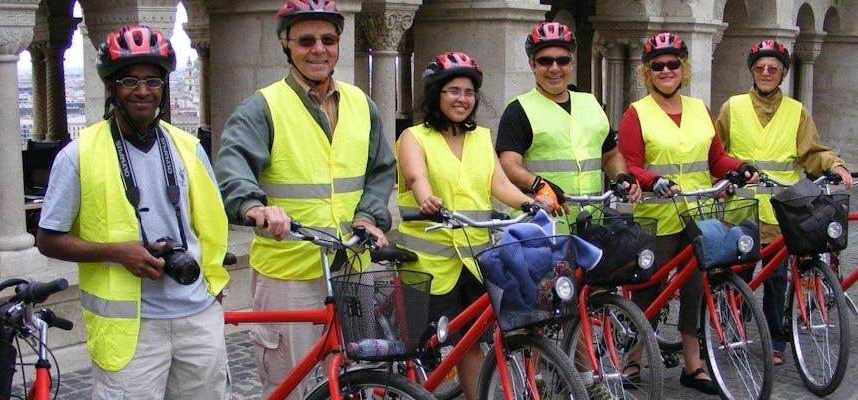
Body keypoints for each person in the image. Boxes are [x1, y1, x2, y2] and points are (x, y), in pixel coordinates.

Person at [36, 25, 230, 399]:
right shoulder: (79, 155)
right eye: (129, 80)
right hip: (132, 327)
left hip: (197, 315)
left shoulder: (188, 148)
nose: (142, 90)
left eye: (152, 80)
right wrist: (116, 252)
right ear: (111, 87)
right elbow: (48, 239)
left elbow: (211, 225)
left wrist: (214, 290)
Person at [214, 0, 395, 398]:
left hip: (351, 263)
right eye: (306, 40)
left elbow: (381, 171)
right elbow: (232, 168)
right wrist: (254, 207)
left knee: (358, 378)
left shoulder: (362, 105)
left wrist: (368, 216)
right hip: (289, 270)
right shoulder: (261, 108)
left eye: (328, 39)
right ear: (286, 44)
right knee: (291, 380)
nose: (318, 48)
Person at [618, 31, 759, 395]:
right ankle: (632, 359)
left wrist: (738, 167)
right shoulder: (638, 113)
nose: (666, 70)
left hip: (699, 212)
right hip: (658, 215)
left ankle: (693, 365)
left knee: (696, 288)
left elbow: (716, 159)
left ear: (684, 68)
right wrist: (652, 180)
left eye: (673, 64)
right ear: (648, 73)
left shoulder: (699, 109)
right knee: (648, 290)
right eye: (658, 66)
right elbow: (629, 164)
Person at [396, 50, 540, 399]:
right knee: (422, 346)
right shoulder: (414, 137)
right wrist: (426, 198)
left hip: (475, 260)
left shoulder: (480, 137)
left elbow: (500, 185)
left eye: (469, 92)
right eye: (453, 91)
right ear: (436, 94)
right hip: (429, 265)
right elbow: (416, 178)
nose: (463, 99)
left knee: (471, 341)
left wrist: (532, 202)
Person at [715, 39, 854, 367]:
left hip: (780, 212)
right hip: (741, 209)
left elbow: (812, 151)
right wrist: (717, 183)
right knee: (739, 275)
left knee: (777, 279)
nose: (766, 73)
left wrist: (835, 164)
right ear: (751, 71)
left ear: (783, 73)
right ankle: (733, 328)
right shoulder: (731, 107)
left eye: (773, 69)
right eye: (760, 68)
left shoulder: (796, 111)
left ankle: (776, 339)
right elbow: (717, 153)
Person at [496, 21, 640, 226]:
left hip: (591, 221)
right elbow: (508, 164)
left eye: (562, 61)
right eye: (545, 61)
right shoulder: (519, 109)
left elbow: (610, 154)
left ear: (571, 62)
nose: (554, 68)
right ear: (532, 64)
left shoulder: (591, 103)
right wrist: (538, 184)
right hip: (543, 225)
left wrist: (621, 176)